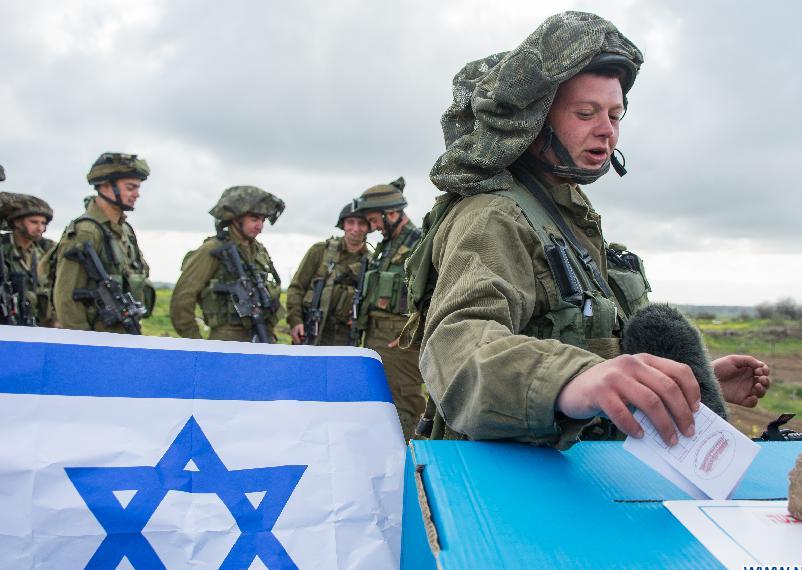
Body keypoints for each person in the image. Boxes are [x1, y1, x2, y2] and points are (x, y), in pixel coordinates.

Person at [405, 12, 770, 448]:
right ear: (535, 119)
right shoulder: (493, 216)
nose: (606, 130)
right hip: (514, 484)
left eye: (616, 115)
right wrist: (575, 380)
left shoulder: (565, 210)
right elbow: (460, 354)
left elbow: (579, 338)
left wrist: (674, 388)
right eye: (586, 112)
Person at [353, 177, 427, 441]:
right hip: (375, 336)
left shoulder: (420, 243)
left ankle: (407, 462)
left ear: (393, 213)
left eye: (375, 220)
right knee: (378, 400)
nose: (372, 227)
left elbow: (438, 291)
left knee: (403, 403)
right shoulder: (386, 247)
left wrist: (417, 330)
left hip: (400, 340)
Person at [53, 152, 153, 333]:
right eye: (130, 187)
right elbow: (66, 298)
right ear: (105, 186)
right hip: (96, 341)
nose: (137, 194)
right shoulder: (86, 231)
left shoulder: (126, 231)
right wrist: (83, 346)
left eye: (138, 188)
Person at [170, 186, 284, 342]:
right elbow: (182, 298)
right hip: (226, 340)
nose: (260, 227)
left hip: (261, 335)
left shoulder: (259, 251)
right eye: (254, 219)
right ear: (236, 218)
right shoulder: (212, 250)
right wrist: (195, 342)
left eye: (263, 220)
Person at [286, 202, 371, 345]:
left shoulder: (371, 263)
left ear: (369, 227)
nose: (356, 228)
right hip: (311, 330)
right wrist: (295, 321)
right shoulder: (320, 251)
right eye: (351, 222)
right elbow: (296, 287)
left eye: (362, 223)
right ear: (343, 224)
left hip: (345, 337)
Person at [0, 192, 57, 326]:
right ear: (17, 222)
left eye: (43, 223)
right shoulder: (3, 250)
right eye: (34, 222)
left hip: (39, 325)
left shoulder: (46, 251)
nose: (40, 228)